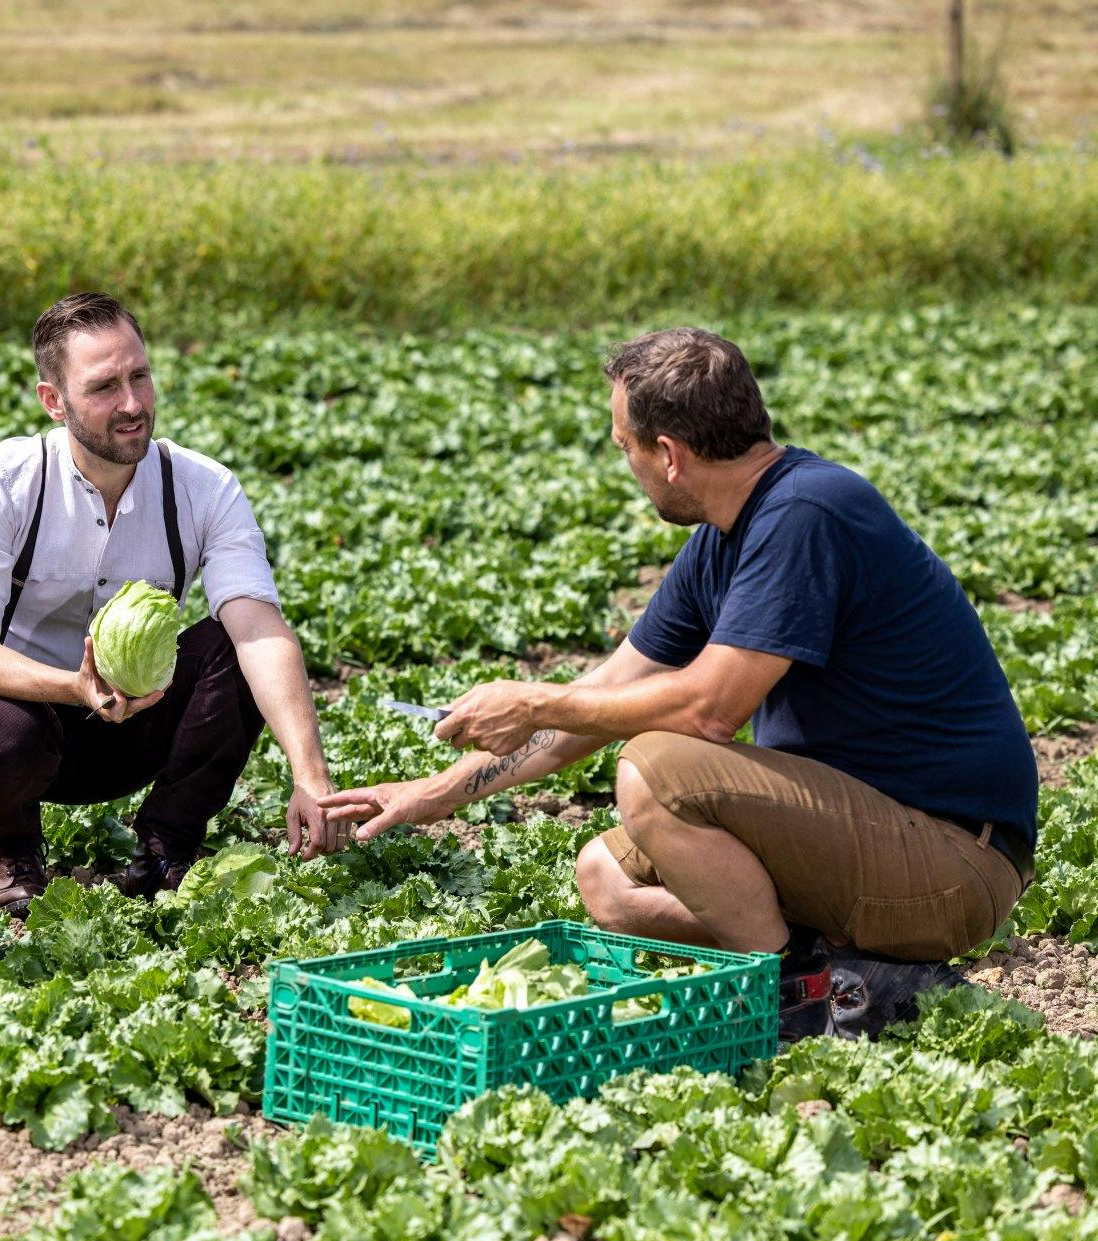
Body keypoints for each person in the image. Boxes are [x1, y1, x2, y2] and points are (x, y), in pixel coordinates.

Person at [320, 327, 1036, 1039]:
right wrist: (435, 792)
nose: (624, 463)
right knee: (608, 876)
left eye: (622, 445)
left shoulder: (807, 513)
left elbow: (710, 708)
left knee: (655, 768)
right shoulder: (724, 541)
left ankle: (794, 995)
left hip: (951, 862)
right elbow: (601, 697)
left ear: (668, 454)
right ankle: (853, 974)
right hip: (864, 836)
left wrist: (537, 698)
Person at [0, 292, 348, 914]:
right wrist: (75, 687)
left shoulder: (204, 488)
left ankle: (167, 847)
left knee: (238, 646)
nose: (132, 405)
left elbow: (258, 626)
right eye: (103, 388)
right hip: (11, 722)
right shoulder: (6, 481)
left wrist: (310, 775)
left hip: (133, 720)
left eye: (140, 376)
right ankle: (10, 853)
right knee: (2, 729)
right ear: (53, 400)